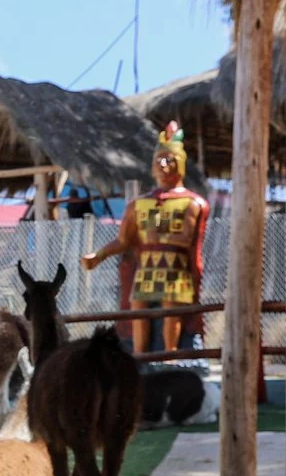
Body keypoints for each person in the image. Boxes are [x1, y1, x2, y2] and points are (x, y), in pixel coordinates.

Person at [82, 122, 210, 354]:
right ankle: (139, 358)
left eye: (170, 159)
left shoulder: (191, 203)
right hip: (147, 268)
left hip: (175, 268)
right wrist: (98, 255)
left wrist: (159, 233)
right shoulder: (139, 204)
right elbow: (124, 240)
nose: (163, 165)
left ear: (180, 163)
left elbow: (184, 238)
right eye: (159, 160)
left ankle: (170, 359)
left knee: (171, 312)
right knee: (137, 311)